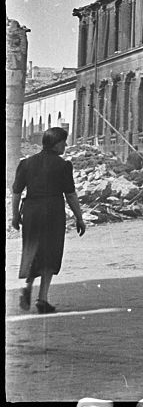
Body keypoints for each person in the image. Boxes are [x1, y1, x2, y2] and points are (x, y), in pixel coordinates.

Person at [11, 126, 86, 313]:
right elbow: (70, 195)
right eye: (64, 142)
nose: (66, 145)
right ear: (56, 144)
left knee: (32, 249)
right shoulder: (63, 165)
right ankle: (42, 299)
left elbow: (16, 192)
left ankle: (27, 287)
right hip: (53, 212)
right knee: (50, 254)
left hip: (31, 212)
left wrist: (15, 215)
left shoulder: (26, 163)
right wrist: (79, 217)